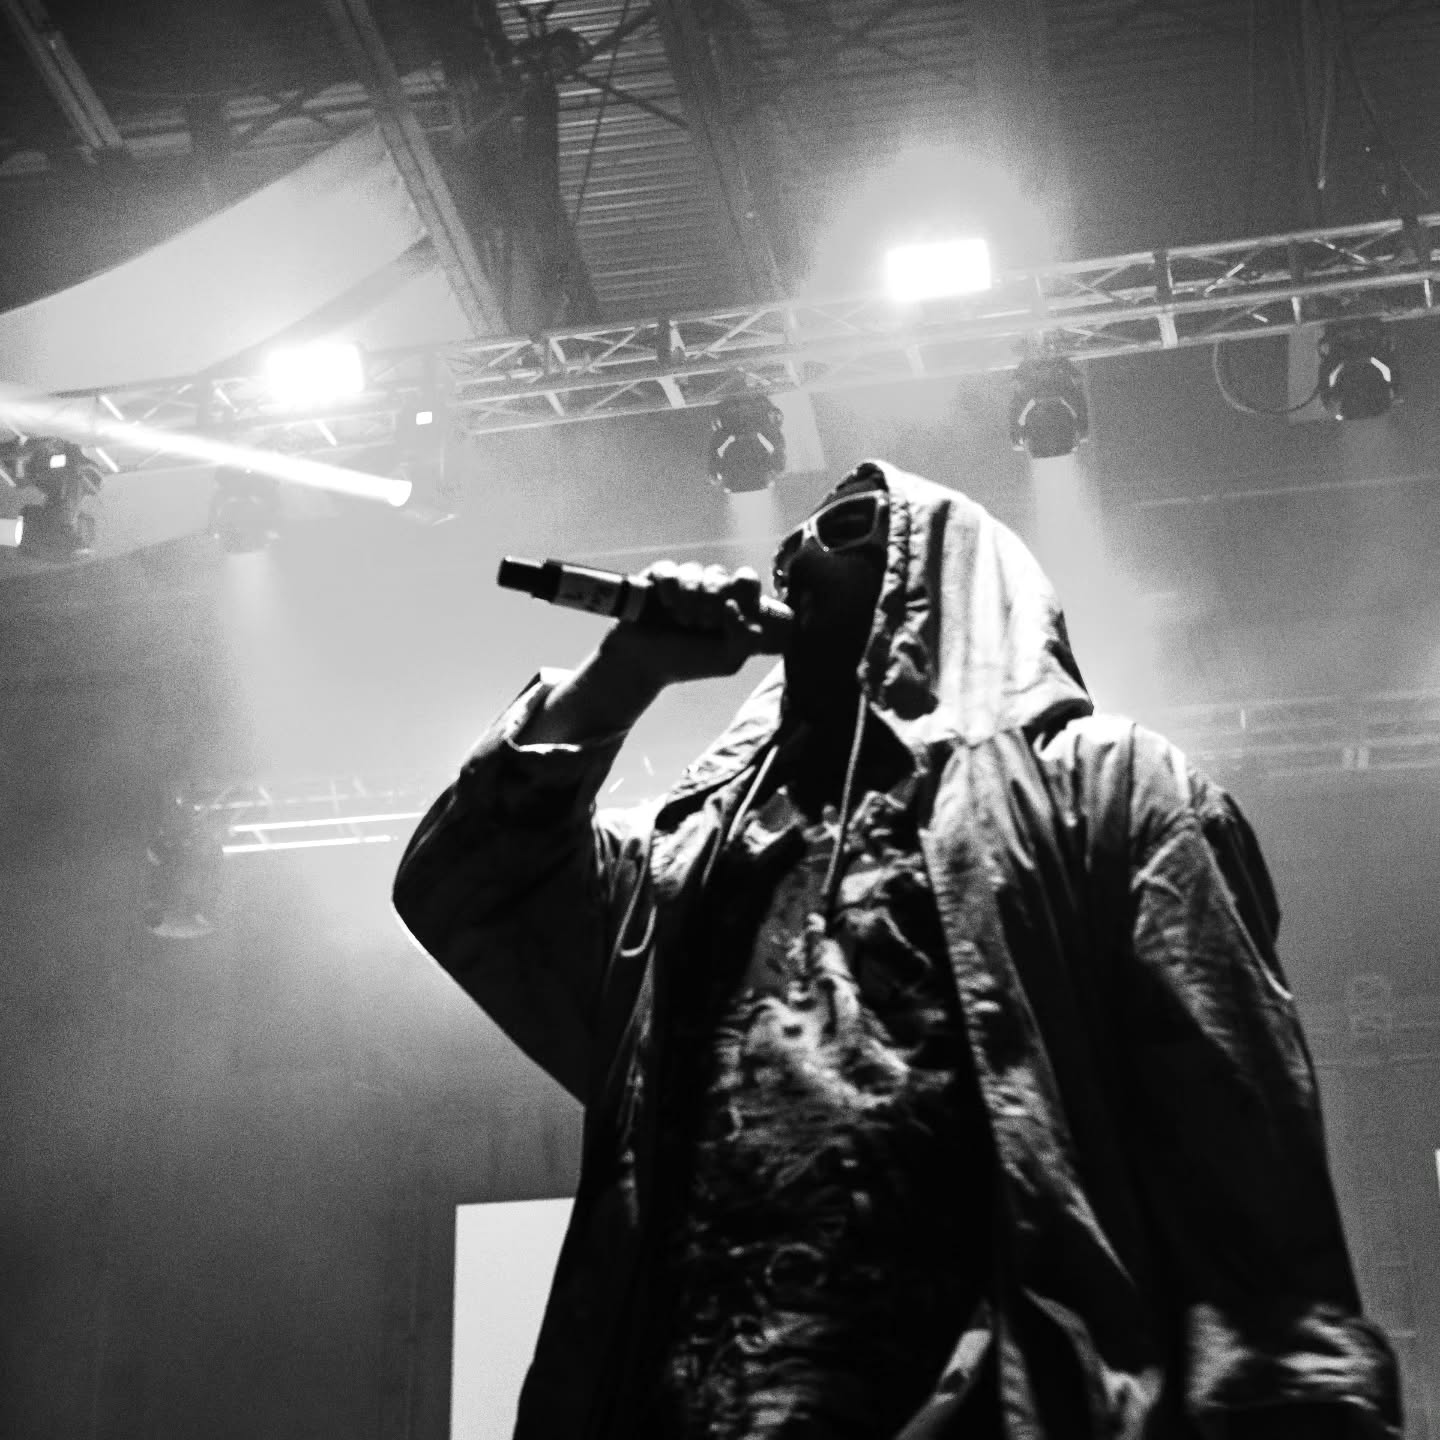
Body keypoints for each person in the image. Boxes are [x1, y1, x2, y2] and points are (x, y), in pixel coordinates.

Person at [393, 459, 1400, 1440]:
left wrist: (1299, 1403)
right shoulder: (693, 856)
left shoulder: (1105, 786)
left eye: (845, 529)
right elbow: (467, 883)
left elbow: (1235, 1131)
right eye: (788, 544)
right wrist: (625, 673)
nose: (794, 557)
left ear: (945, 573)